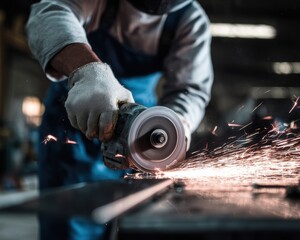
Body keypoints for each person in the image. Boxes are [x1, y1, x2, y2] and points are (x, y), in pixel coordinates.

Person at [25, 0, 213, 239]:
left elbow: (189, 90)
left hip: (138, 137)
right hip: (71, 132)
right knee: (67, 224)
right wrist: (86, 72)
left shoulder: (189, 20)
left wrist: (179, 124)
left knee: (125, 222)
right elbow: (48, 13)